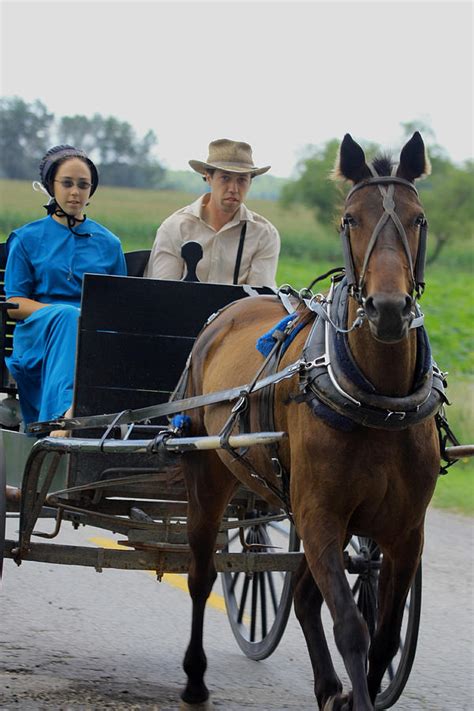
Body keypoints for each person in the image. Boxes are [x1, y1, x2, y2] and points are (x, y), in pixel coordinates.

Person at [4, 145, 127, 431]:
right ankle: (63, 415)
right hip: (38, 336)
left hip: (93, 337)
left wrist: (87, 320)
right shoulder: (26, 239)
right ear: (51, 186)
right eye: (67, 184)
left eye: (83, 185)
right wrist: (65, 314)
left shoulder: (110, 243)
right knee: (69, 316)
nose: (76, 192)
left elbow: (118, 306)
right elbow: (15, 304)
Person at [144, 139, 280, 287]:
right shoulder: (175, 227)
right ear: (208, 178)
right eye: (225, 178)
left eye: (242, 180)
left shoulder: (264, 235)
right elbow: (162, 292)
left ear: (250, 183)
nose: (233, 188)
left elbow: (259, 301)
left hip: (241, 310)